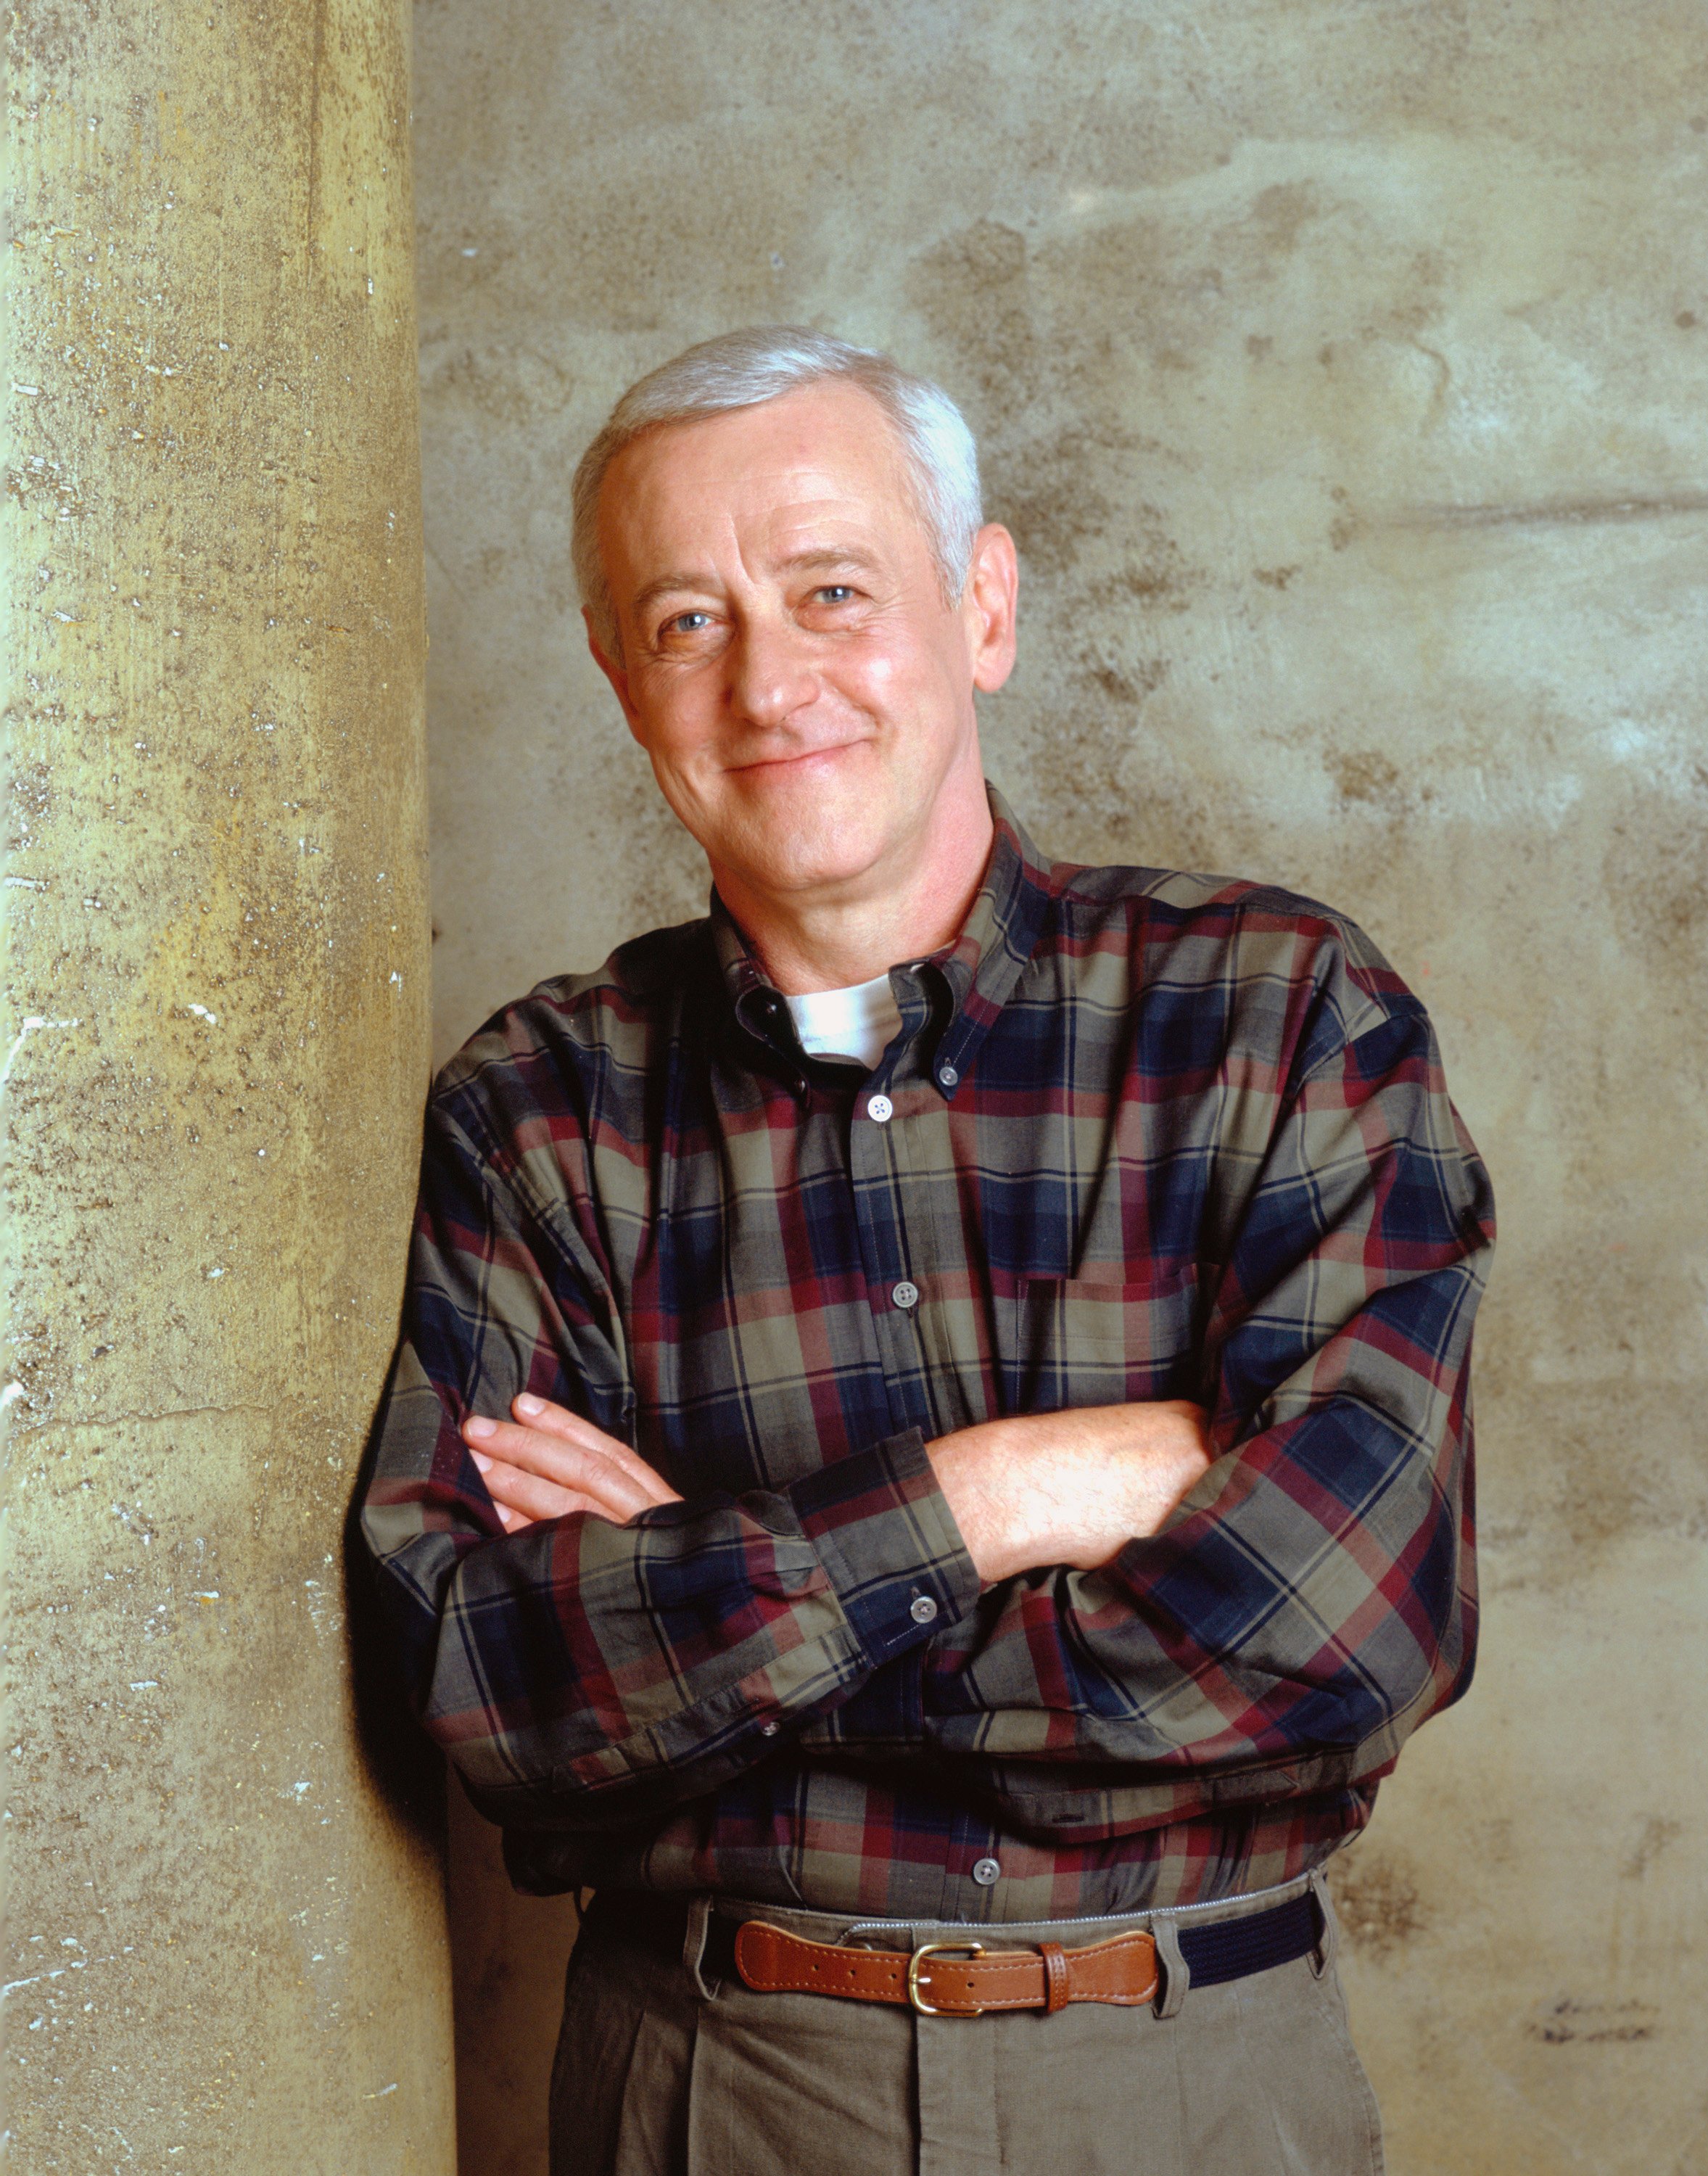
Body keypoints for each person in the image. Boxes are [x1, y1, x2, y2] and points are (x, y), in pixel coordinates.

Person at [358, 326, 1493, 2176]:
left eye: (830, 590)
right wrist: (1005, 1495)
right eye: (685, 622)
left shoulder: (1280, 1020)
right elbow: (491, 1689)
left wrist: (715, 1626)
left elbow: (1341, 1628)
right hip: (711, 2089)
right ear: (619, 681)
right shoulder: (536, 1112)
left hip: (1193, 2077)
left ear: (981, 608)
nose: (768, 681)